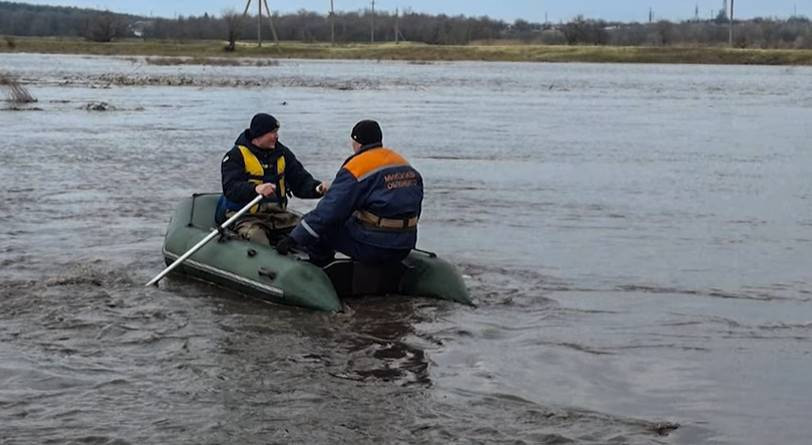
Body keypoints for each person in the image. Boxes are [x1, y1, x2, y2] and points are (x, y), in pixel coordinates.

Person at [276, 120, 423, 265]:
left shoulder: (357, 168)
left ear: (356, 142)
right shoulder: (402, 163)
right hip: (405, 243)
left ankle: (322, 271)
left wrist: (294, 238)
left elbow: (329, 212)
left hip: (375, 246)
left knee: (320, 229)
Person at [216, 113, 327, 245]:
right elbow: (231, 188)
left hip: (278, 215)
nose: (277, 136)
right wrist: (256, 189)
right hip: (246, 217)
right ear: (259, 134)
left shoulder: (282, 153)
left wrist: (317, 188)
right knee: (258, 239)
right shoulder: (235, 156)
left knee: (311, 231)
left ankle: (319, 261)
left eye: (276, 132)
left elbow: (300, 181)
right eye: (273, 132)